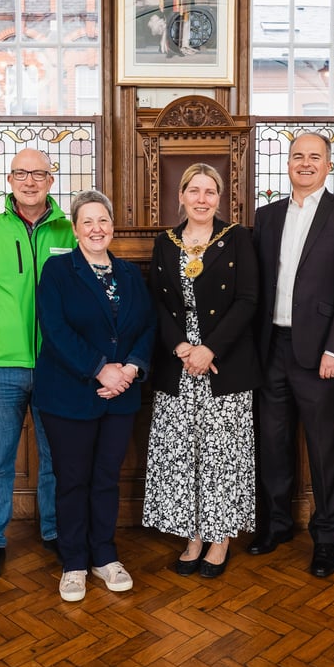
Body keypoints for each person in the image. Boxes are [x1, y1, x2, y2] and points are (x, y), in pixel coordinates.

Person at [250, 132, 334, 577]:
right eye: (297, 156)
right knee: (272, 445)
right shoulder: (267, 216)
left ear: (329, 165)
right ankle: (277, 525)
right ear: (287, 164)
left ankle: (325, 537)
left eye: (314, 157)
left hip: (321, 353)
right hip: (271, 349)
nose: (305, 163)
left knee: (322, 450)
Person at [0, 148, 76, 583]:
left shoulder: (71, 228)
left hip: (57, 366)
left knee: (55, 457)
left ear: (50, 178)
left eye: (39, 173)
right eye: (21, 173)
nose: (30, 180)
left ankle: (54, 532)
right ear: (9, 179)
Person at [34, 190, 155, 602]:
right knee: (72, 481)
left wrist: (131, 368)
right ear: (75, 228)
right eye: (87, 221)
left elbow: (147, 326)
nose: (96, 228)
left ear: (113, 227)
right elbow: (55, 328)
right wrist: (100, 367)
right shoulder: (57, 270)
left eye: (102, 220)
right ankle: (73, 562)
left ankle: (104, 555)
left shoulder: (129, 274)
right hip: (68, 394)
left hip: (120, 395)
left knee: (106, 479)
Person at [143, 163, 260, 579]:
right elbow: (156, 302)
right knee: (183, 452)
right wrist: (181, 347)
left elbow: (248, 300)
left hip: (223, 362)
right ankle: (192, 534)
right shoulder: (165, 242)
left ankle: (220, 537)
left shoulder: (238, 239)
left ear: (220, 197)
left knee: (222, 456)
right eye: (194, 190)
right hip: (178, 362)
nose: (202, 198)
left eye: (211, 192)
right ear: (181, 195)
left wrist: (209, 349)